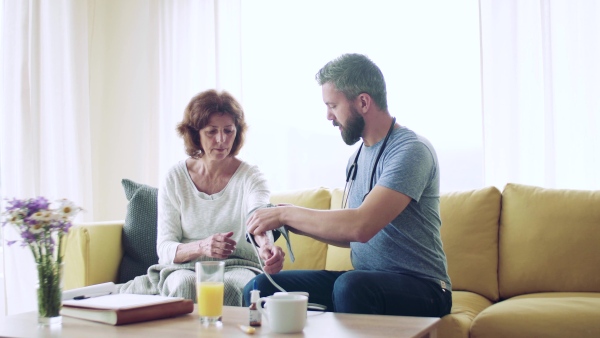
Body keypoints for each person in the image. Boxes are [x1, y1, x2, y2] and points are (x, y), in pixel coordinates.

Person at [244, 53, 452, 317]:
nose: (328, 116)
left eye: (332, 105)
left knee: (351, 286)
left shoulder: (410, 151)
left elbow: (361, 226)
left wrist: (285, 213)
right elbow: (350, 236)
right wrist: (286, 222)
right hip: (367, 282)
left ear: (363, 102)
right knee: (259, 286)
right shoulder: (357, 159)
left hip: (425, 289)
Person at [156, 89, 285, 306]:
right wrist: (201, 247)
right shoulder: (175, 177)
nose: (221, 140)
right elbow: (164, 248)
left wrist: (265, 246)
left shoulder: (251, 177)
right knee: (184, 284)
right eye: (211, 132)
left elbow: (258, 218)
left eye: (228, 131)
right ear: (196, 133)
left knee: (234, 285)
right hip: (185, 267)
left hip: (240, 265)